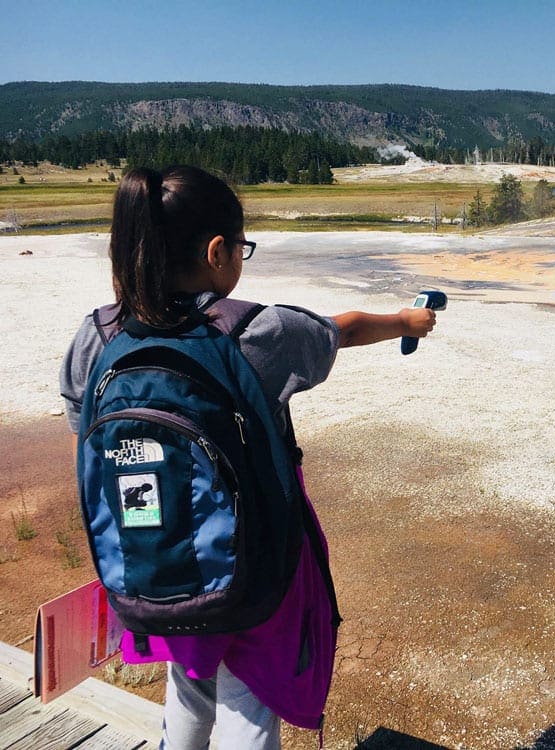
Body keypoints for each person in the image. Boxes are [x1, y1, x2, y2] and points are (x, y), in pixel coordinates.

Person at [60, 165, 437, 749]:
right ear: (218, 252)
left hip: (151, 563)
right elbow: (343, 330)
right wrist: (407, 321)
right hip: (252, 563)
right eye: (243, 248)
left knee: (186, 689)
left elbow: (82, 424)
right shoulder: (258, 333)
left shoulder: (98, 335)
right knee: (247, 705)